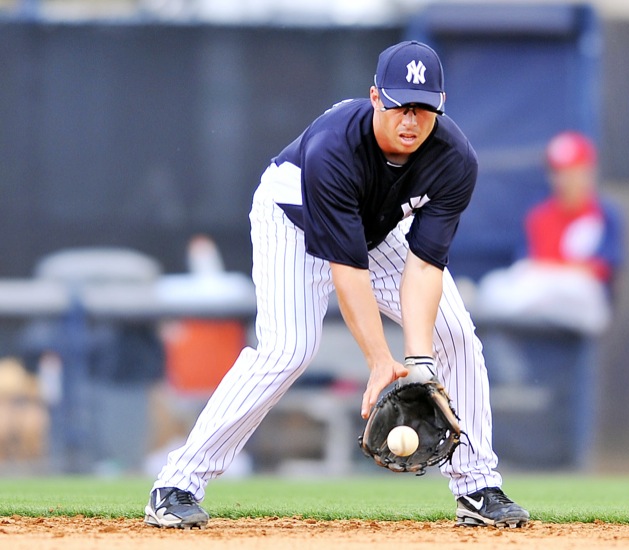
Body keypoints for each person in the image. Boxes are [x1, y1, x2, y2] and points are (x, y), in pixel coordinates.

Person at [144, 40, 530, 529]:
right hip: (293, 220)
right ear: (375, 98)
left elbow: (425, 265)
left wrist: (419, 363)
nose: (411, 120)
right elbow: (348, 272)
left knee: (454, 334)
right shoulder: (333, 150)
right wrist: (377, 361)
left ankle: (476, 487)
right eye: (399, 106)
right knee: (289, 349)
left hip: (379, 229)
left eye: (424, 108)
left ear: (441, 106)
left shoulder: (454, 160)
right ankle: (177, 483)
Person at [477, 131, 624, 336]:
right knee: (496, 285)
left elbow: (601, 271)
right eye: (558, 172)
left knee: (566, 286)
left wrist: (554, 272)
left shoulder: (604, 213)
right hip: (541, 300)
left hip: (583, 302)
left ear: (587, 171)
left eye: (572, 171)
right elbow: (526, 266)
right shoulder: (539, 215)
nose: (564, 179)